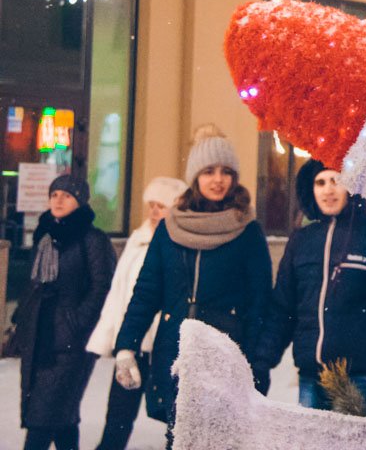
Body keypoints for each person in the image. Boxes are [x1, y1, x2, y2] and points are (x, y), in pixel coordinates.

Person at [113, 126, 273, 443]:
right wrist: (125, 346)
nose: (218, 179)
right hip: (175, 352)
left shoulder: (248, 231)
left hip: (226, 355)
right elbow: (146, 293)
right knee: (179, 437)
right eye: (209, 171)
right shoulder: (170, 228)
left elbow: (260, 303)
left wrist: (256, 362)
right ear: (195, 176)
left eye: (226, 171)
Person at [256, 159, 366, 414]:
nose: (328, 190)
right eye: (320, 183)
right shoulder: (302, 241)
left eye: (336, 181)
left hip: (361, 379)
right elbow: (283, 309)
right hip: (311, 377)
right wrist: (261, 361)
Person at [14, 175, 117, 450]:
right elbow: (34, 284)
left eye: (67, 195)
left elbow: (103, 287)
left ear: (80, 202)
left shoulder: (93, 239)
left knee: (43, 417)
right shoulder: (45, 236)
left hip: (73, 343)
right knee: (61, 416)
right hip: (41, 336)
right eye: (54, 194)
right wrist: (22, 321)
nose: (58, 200)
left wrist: (78, 322)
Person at [87, 176, 187, 450]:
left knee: (173, 418)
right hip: (133, 346)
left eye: (162, 205)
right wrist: (113, 337)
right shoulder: (138, 238)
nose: (155, 211)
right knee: (118, 416)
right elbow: (119, 292)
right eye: (152, 205)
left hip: (162, 345)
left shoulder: (178, 242)